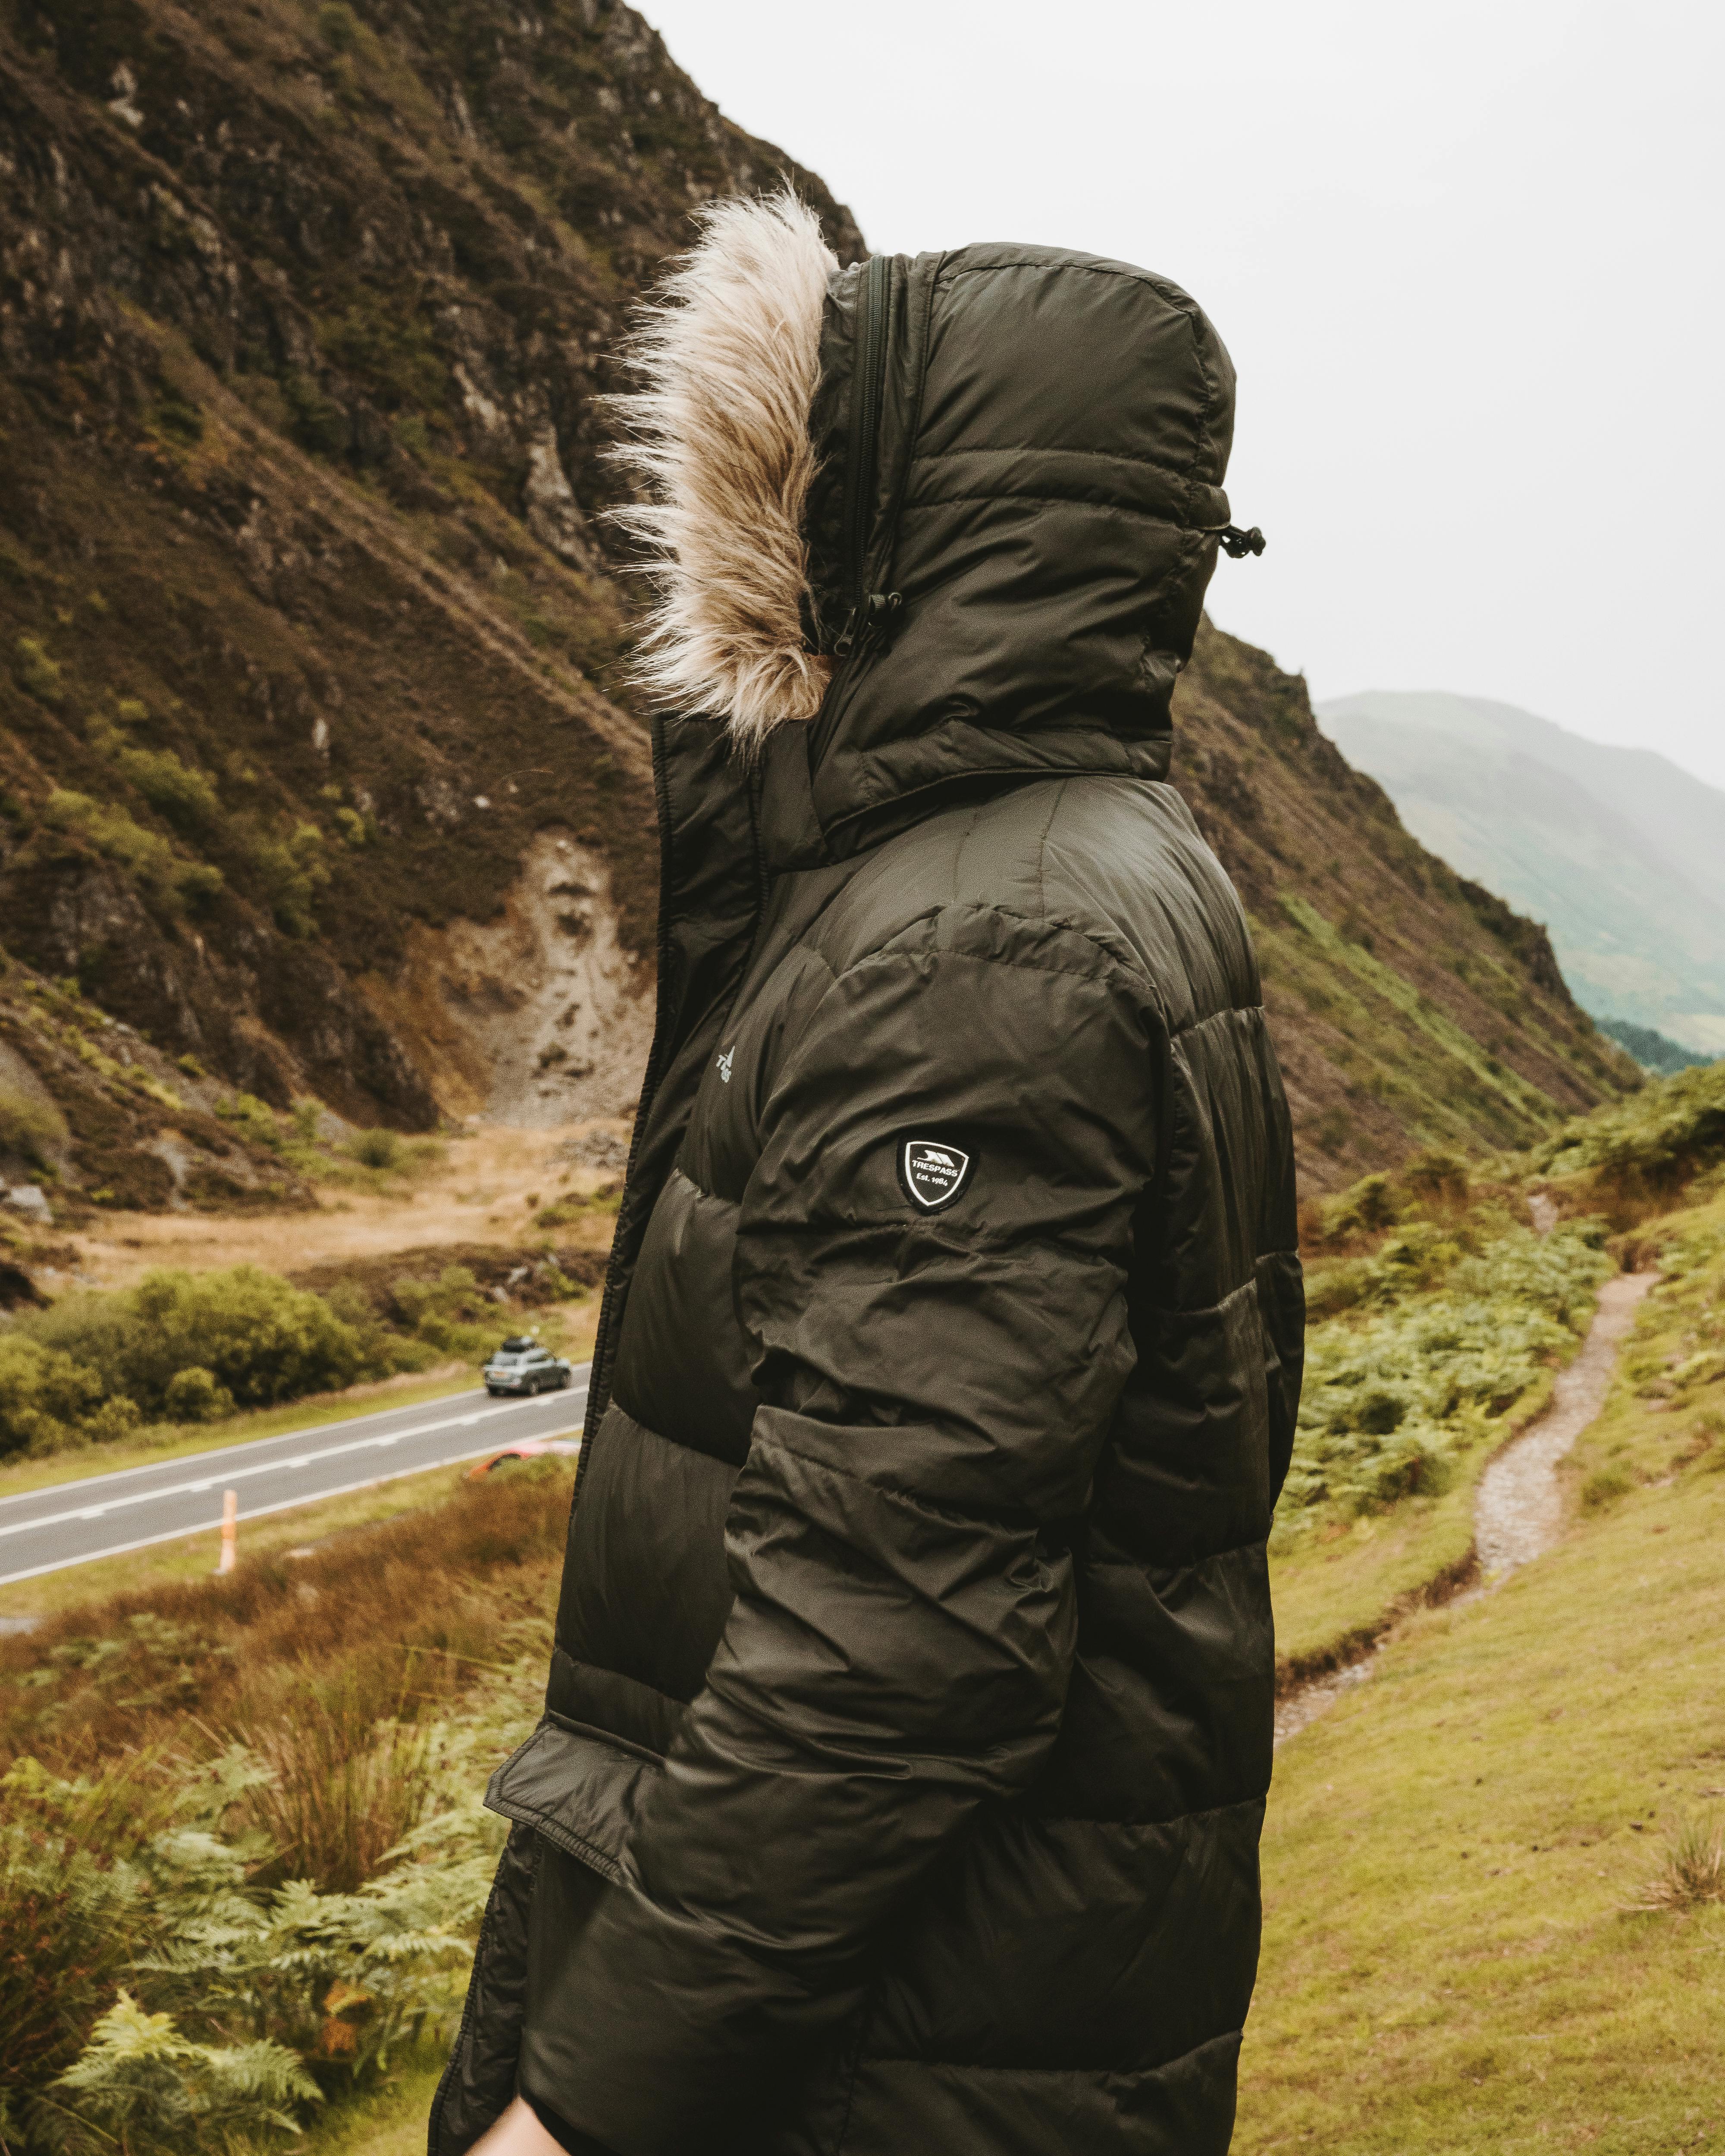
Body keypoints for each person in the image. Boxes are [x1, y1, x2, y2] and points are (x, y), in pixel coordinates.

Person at [431, 191, 1303, 2156]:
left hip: (868, 2065)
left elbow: (896, 1643)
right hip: (980, 2010)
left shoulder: (970, 953)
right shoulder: (1099, 868)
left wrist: (582, 2104)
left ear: (882, 530)